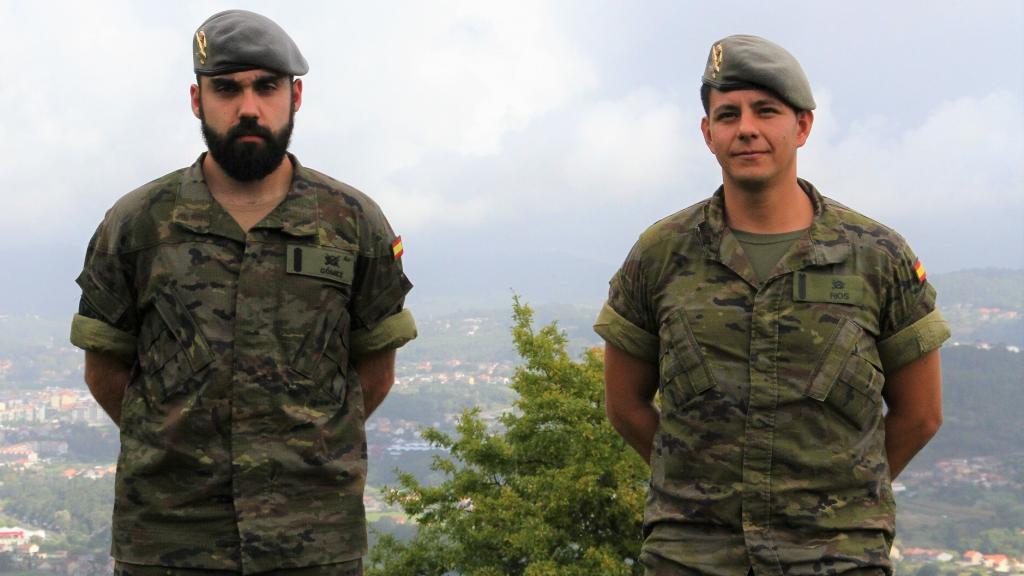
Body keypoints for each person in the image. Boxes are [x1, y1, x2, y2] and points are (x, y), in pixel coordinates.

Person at [69, 10, 416, 575]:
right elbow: (104, 372)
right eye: (226, 89)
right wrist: (179, 445)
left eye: (267, 87)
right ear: (196, 99)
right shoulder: (136, 225)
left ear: (295, 96)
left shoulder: (352, 223)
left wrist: (303, 445)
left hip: (314, 542)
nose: (248, 108)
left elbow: (374, 371)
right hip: (169, 539)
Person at [595, 34, 949, 575]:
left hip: (837, 558)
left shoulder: (876, 256)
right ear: (707, 133)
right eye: (728, 114)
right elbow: (625, 406)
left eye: (766, 111)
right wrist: (698, 489)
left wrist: (839, 500)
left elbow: (921, 414)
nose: (746, 130)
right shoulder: (662, 253)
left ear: (802, 125)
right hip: (691, 557)